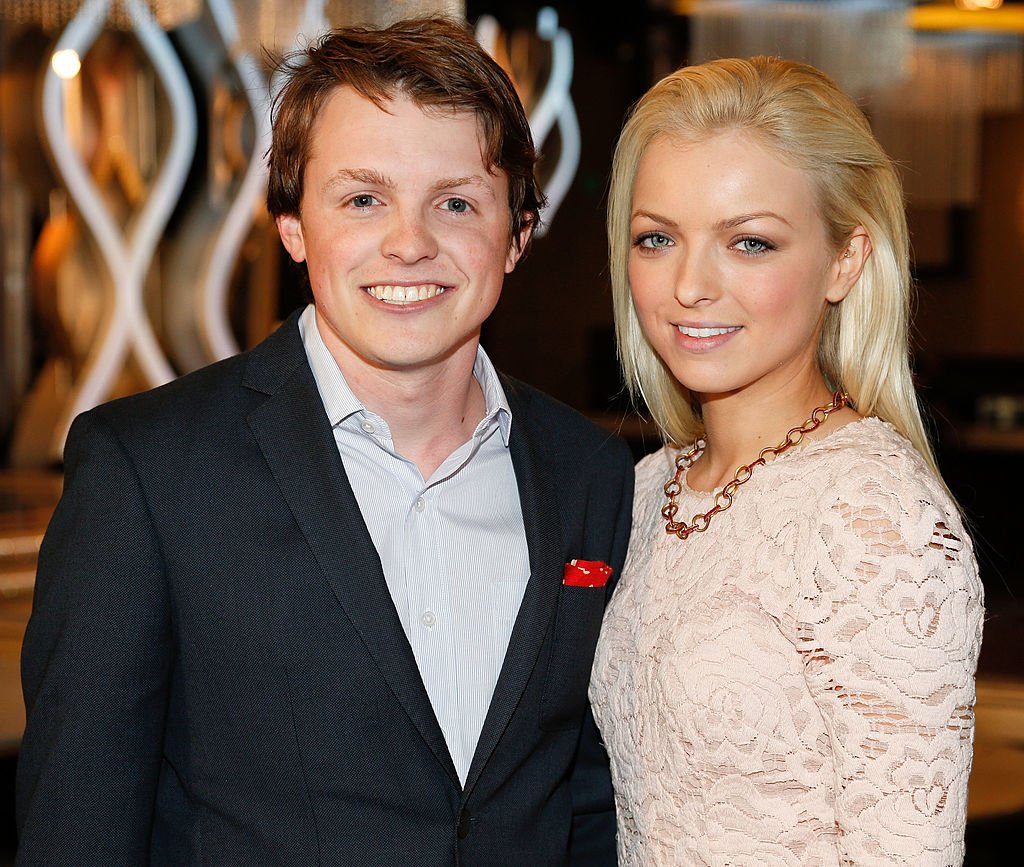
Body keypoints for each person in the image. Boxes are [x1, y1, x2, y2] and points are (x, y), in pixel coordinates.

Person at [16, 17, 633, 866]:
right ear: (294, 227)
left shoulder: (593, 475)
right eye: (363, 198)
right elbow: (77, 832)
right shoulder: (148, 473)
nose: (409, 241)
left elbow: (589, 805)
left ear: (517, 236)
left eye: (455, 202)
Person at [589, 56, 984, 865]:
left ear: (845, 259)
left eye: (750, 242)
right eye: (657, 238)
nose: (690, 285)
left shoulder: (873, 515)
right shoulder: (643, 490)